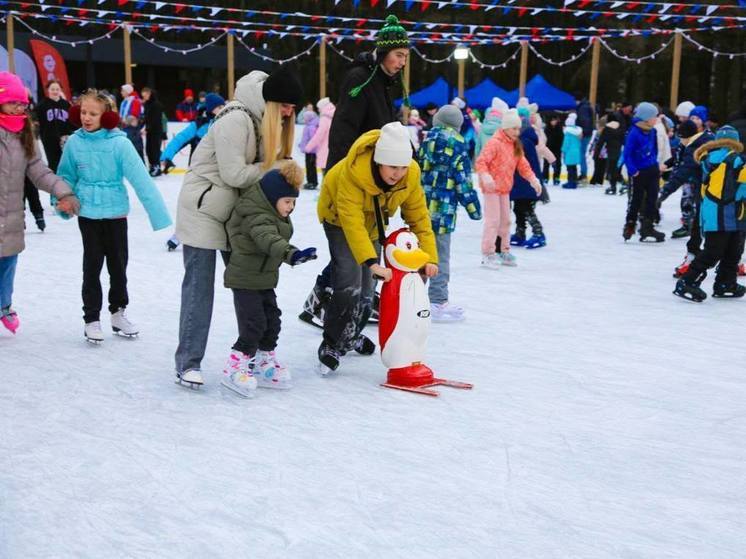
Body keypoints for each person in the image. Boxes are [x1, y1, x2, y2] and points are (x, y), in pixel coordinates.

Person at [173, 64, 303, 387]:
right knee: (200, 289)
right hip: (204, 210)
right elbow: (233, 174)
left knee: (254, 283)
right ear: (272, 102)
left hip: (236, 215)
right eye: (285, 106)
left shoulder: (264, 123)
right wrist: (276, 167)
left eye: (292, 108)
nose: (288, 114)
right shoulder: (236, 119)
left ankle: (258, 355)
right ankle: (188, 362)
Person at [300, 14, 410, 328]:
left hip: (374, 179)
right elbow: (343, 132)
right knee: (349, 247)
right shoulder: (361, 79)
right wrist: (339, 177)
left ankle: (325, 300)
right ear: (384, 52)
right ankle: (325, 302)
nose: (403, 62)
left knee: (356, 246)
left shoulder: (387, 84)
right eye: (399, 55)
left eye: (405, 56)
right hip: (352, 177)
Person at [315, 122, 438, 374]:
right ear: (379, 162)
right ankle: (331, 343)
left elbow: (419, 218)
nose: (398, 173)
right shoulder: (352, 173)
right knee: (350, 280)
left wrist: (430, 258)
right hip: (339, 220)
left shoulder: (410, 175)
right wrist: (371, 262)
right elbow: (351, 222)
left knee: (369, 290)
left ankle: (350, 335)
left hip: (373, 222)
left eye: (403, 167)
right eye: (393, 167)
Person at [57, 89, 171, 343]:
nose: (86, 118)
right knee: (92, 266)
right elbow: (64, 176)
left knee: (118, 267)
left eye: (93, 113)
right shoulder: (75, 142)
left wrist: (159, 216)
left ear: (107, 116)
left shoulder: (120, 143)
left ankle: (118, 313)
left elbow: (142, 180)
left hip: (116, 213)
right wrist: (62, 200)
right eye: (83, 112)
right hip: (87, 212)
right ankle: (91, 319)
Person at [221, 162, 317, 396]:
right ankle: (235, 367)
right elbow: (268, 239)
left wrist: (293, 254)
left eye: (293, 202)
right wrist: (291, 253)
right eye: (287, 201)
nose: (291, 207)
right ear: (272, 198)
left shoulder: (272, 211)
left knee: (272, 320)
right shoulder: (256, 214)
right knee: (253, 323)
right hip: (245, 278)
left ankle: (263, 363)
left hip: (263, 278)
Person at [0, 72, 80, 334]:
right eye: (14, 102)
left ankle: (4, 305)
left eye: (23, 103)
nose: (20, 107)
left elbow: (38, 170)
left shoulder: (25, 133)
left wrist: (64, 193)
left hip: (11, 217)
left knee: (8, 265)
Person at [417, 105, 481, 322]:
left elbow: (417, 172)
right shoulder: (458, 144)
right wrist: (474, 209)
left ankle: (412, 299)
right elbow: (463, 181)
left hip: (421, 208)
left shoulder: (426, 141)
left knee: (420, 254)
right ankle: (437, 301)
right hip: (443, 211)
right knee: (440, 256)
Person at [673, 126, 746, 302]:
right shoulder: (735, 161)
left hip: (714, 213)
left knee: (731, 250)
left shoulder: (708, 159)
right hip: (730, 213)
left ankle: (725, 283)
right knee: (718, 251)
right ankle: (688, 281)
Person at [475, 109, 542, 269]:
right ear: (505, 127)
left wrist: (533, 179)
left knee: (505, 221)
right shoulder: (495, 143)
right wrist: (486, 176)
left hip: (505, 188)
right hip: (491, 189)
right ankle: (488, 254)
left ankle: (503, 250)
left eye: (518, 129)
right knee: (493, 221)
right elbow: (481, 162)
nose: (517, 132)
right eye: (514, 128)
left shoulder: (515, 145)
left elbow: (523, 165)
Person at [659, 120, 714, 276]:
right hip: (715, 191)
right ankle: (733, 262)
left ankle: (693, 260)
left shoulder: (695, 148)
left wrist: (665, 192)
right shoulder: (708, 137)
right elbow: (679, 155)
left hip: (708, 191)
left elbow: (683, 171)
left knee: (701, 226)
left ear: (686, 137)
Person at [622, 102, 665, 242]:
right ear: (646, 118)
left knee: (652, 199)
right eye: (655, 116)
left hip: (652, 169)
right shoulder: (634, 132)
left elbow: (654, 150)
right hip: (639, 172)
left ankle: (647, 227)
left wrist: (655, 164)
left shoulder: (653, 131)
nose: (657, 119)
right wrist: (633, 171)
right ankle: (630, 224)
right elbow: (627, 154)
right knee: (636, 199)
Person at [510, 108, 547, 251]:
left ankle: (539, 234)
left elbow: (524, 163)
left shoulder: (525, 141)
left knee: (527, 208)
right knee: (518, 208)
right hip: (520, 182)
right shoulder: (523, 140)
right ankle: (520, 233)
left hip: (527, 182)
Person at [161, 93, 225, 174]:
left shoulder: (226, 123)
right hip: (197, 170)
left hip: (219, 170)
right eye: (219, 107)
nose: (222, 110)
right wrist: (167, 157)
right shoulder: (198, 125)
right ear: (210, 109)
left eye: (224, 107)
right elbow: (178, 140)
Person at [35, 79, 73, 173]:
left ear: (60, 90)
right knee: (53, 162)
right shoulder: (42, 105)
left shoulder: (66, 104)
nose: (55, 91)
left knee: (65, 162)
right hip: (49, 138)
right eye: (52, 89)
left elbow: (71, 121)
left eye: (57, 89)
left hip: (65, 137)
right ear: (48, 90)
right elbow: (35, 119)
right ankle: (55, 183)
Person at [303, 97, 335, 184]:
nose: (318, 110)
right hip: (333, 150)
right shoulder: (334, 116)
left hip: (325, 151)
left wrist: (308, 147)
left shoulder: (324, 119)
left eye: (319, 108)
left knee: (327, 178)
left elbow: (319, 136)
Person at [596, 113, 625, 195]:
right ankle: (622, 184)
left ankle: (614, 186)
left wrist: (597, 153)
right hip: (619, 152)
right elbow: (624, 141)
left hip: (611, 152)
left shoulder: (607, 129)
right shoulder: (621, 128)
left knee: (611, 170)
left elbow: (601, 142)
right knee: (616, 170)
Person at [141, 87, 164, 177]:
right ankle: (152, 166)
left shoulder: (157, 105)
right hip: (150, 131)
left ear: (150, 94)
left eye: (145, 95)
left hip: (156, 131)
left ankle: (157, 167)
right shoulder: (146, 104)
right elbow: (146, 118)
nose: (144, 97)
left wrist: (147, 128)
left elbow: (155, 119)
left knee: (154, 149)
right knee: (148, 149)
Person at [298, 105, 319, 189]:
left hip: (311, 151)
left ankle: (313, 182)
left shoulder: (311, 127)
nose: (304, 119)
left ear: (309, 118)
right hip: (308, 150)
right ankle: (310, 181)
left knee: (311, 167)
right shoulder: (308, 126)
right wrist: (301, 144)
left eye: (306, 118)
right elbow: (305, 138)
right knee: (308, 166)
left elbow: (313, 139)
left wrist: (308, 147)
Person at [576, 95, 595, 183]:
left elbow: (585, 121)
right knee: (582, 153)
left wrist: (583, 132)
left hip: (585, 134)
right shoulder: (586, 106)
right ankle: (583, 174)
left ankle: (583, 174)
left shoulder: (583, 108)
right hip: (587, 133)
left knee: (581, 153)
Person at [561, 113, 583, 189]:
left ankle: (570, 183)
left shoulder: (568, 133)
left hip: (569, 153)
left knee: (570, 169)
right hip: (576, 152)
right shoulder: (578, 133)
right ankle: (574, 182)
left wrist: (563, 151)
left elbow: (566, 144)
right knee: (574, 168)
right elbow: (579, 144)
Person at [543, 113, 563, 186]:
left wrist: (560, 147)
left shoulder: (559, 128)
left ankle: (556, 177)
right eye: (552, 120)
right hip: (548, 149)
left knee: (557, 164)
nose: (554, 122)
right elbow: (544, 139)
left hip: (557, 149)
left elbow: (561, 139)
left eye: (555, 120)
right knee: (546, 164)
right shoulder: (546, 129)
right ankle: (545, 177)